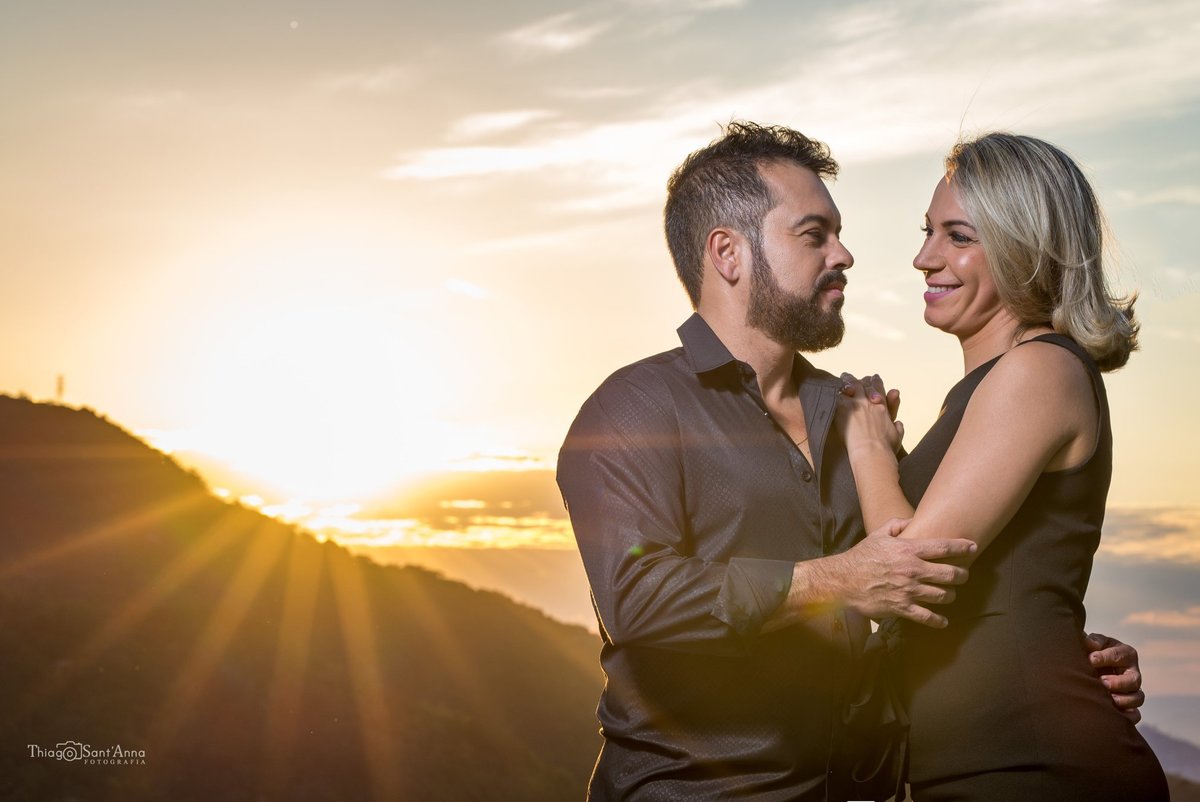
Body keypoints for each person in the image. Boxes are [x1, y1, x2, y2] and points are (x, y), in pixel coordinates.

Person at [557, 122, 1145, 801]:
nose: (846, 254)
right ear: (729, 254)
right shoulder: (632, 411)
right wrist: (833, 580)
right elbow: (638, 601)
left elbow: (917, 593)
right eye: (814, 234)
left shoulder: (853, 418)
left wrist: (1049, 654)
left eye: (838, 231)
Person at [837, 133, 1167, 800]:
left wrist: (870, 450)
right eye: (928, 231)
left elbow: (915, 571)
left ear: (1024, 248)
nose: (923, 257)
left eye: (957, 236)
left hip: (1034, 769)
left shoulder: (1038, 370)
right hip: (977, 766)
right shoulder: (990, 390)